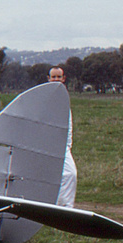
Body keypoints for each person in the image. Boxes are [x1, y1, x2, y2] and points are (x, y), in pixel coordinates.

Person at [49, 66, 77, 207]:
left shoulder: (65, 98)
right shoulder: (44, 98)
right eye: (53, 77)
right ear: (48, 79)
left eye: (58, 77)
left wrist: (67, 144)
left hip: (62, 146)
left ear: (63, 78)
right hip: (47, 145)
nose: (56, 79)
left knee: (70, 174)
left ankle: (65, 207)